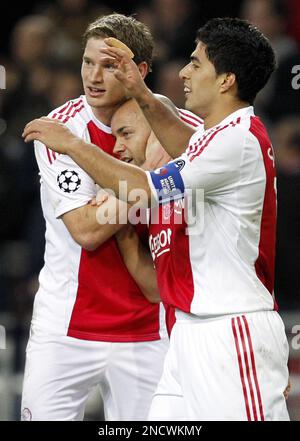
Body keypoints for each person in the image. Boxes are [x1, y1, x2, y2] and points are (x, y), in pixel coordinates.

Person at [23, 17, 290, 420]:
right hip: (185, 330)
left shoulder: (234, 140)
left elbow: (147, 189)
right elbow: (177, 150)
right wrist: (140, 92)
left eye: (196, 63)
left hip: (229, 329)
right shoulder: (210, 137)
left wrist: (75, 147)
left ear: (225, 81)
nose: (183, 71)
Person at [21, 13, 171, 422]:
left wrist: (111, 194)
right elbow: (86, 230)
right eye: (88, 62)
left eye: (109, 65)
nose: (94, 76)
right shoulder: (58, 131)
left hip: (151, 328)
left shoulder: (178, 129)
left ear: (139, 70)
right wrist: (155, 173)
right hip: (64, 327)